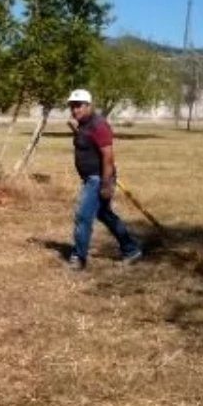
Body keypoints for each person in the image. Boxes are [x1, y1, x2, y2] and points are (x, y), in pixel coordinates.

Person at [65, 89, 142, 270]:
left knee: (83, 216)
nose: (75, 110)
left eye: (79, 106)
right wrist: (75, 129)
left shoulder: (99, 125)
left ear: (89, 105)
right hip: (90, 178)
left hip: (98, 178)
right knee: (105, 215)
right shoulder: (82, 124)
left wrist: (106, 184)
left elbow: (108, 156)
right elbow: (86, 142)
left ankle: (78, 257)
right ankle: (132, 250)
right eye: (72, 106)